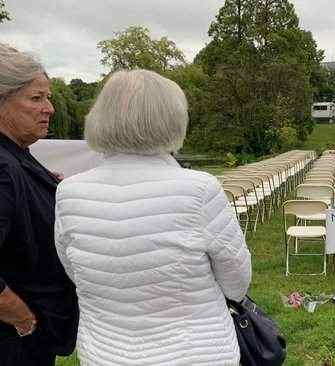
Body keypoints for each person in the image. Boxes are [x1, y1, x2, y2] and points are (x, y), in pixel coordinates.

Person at [54, 70, 252, 365]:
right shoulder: (199, 190)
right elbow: (236, 282)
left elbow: (75, 271)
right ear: (172, 119)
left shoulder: (69, 192)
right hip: (195, 354)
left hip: (105, 354)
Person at [0, 44, 79, 365]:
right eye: (36, 98)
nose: (50, 108)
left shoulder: (16, 155)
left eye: (47, 97)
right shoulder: (3, 167)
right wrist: (21, 317)